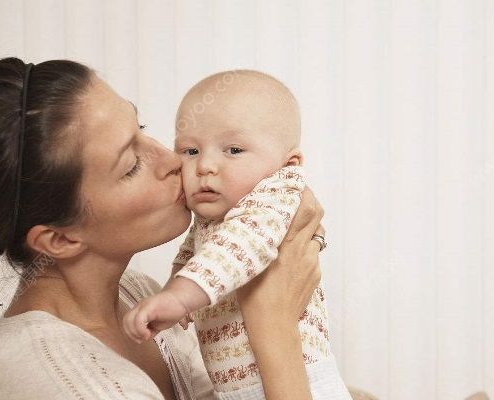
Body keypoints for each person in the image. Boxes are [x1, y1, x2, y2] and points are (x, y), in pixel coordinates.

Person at [0, 57, 325, 400]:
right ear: (60, 238)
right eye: (132, 165)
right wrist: (273, 324)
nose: (174, 160)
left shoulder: (137, 295)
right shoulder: (50, 381)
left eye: (141, 129)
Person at [123, 71, 350, 399]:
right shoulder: (213, 219)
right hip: (241, 385)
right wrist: (176, 287)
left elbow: (240, 247)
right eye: (190, 151)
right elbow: (193, 256)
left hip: (305, 381)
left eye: (232, 149)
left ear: (288, 163)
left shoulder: (276, 193)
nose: (205, 166)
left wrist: (178, 298)